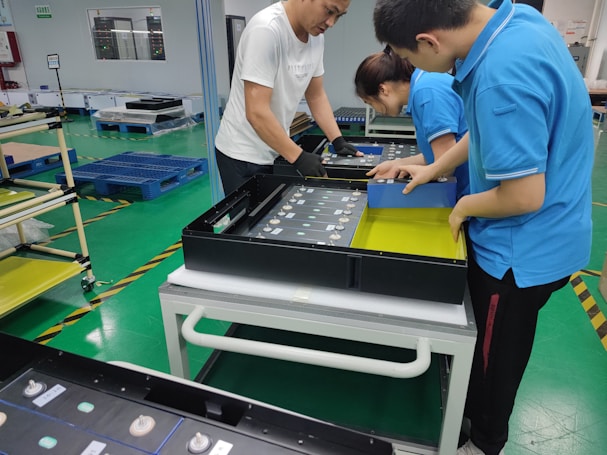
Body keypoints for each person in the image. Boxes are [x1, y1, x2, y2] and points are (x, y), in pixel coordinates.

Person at [372, 1, 594, 455]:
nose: (414, 69)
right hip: (558, 229)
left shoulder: (499, 76)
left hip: (520, 252)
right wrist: (436, 169)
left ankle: (484, 442)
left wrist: (463, 208)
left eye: (410, 59)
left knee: (495, 363)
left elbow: (522, 195)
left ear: (429, 40)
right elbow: (484, 128)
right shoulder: (517, 24)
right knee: (491, 354)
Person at [215, 0, 362, 195]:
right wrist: (299, 157)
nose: (331, 23)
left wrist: (337, 140)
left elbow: (316, 95)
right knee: (252, 222)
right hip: (242, 154)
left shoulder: (315, 36)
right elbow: (256, 112)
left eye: (339, 16)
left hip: (275, 147)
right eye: (329, 11)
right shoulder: (267, 30)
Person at [354, 47, 469, 199]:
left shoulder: (427, 91)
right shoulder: (423, 84)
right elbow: (441, 156)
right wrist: (398, 164)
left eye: (369, 102)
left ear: (383, 89)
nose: (376, 109)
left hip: (473, 195)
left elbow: (445, 167)